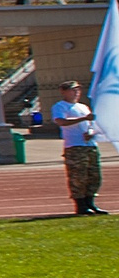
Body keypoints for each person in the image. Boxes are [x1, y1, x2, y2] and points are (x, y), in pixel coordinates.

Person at [50, 81, 107, 215]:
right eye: (73, 90)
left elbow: (91, 124)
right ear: (63, 92)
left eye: (78, 90)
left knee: (94, 176)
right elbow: (61, 121)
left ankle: (90, 202)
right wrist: (83, 118)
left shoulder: (83, 107)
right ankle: (80, 205)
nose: (76, 93)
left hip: (90, 145)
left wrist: (91, 133)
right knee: (78, 177)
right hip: (75, 146)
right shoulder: (60, 106)